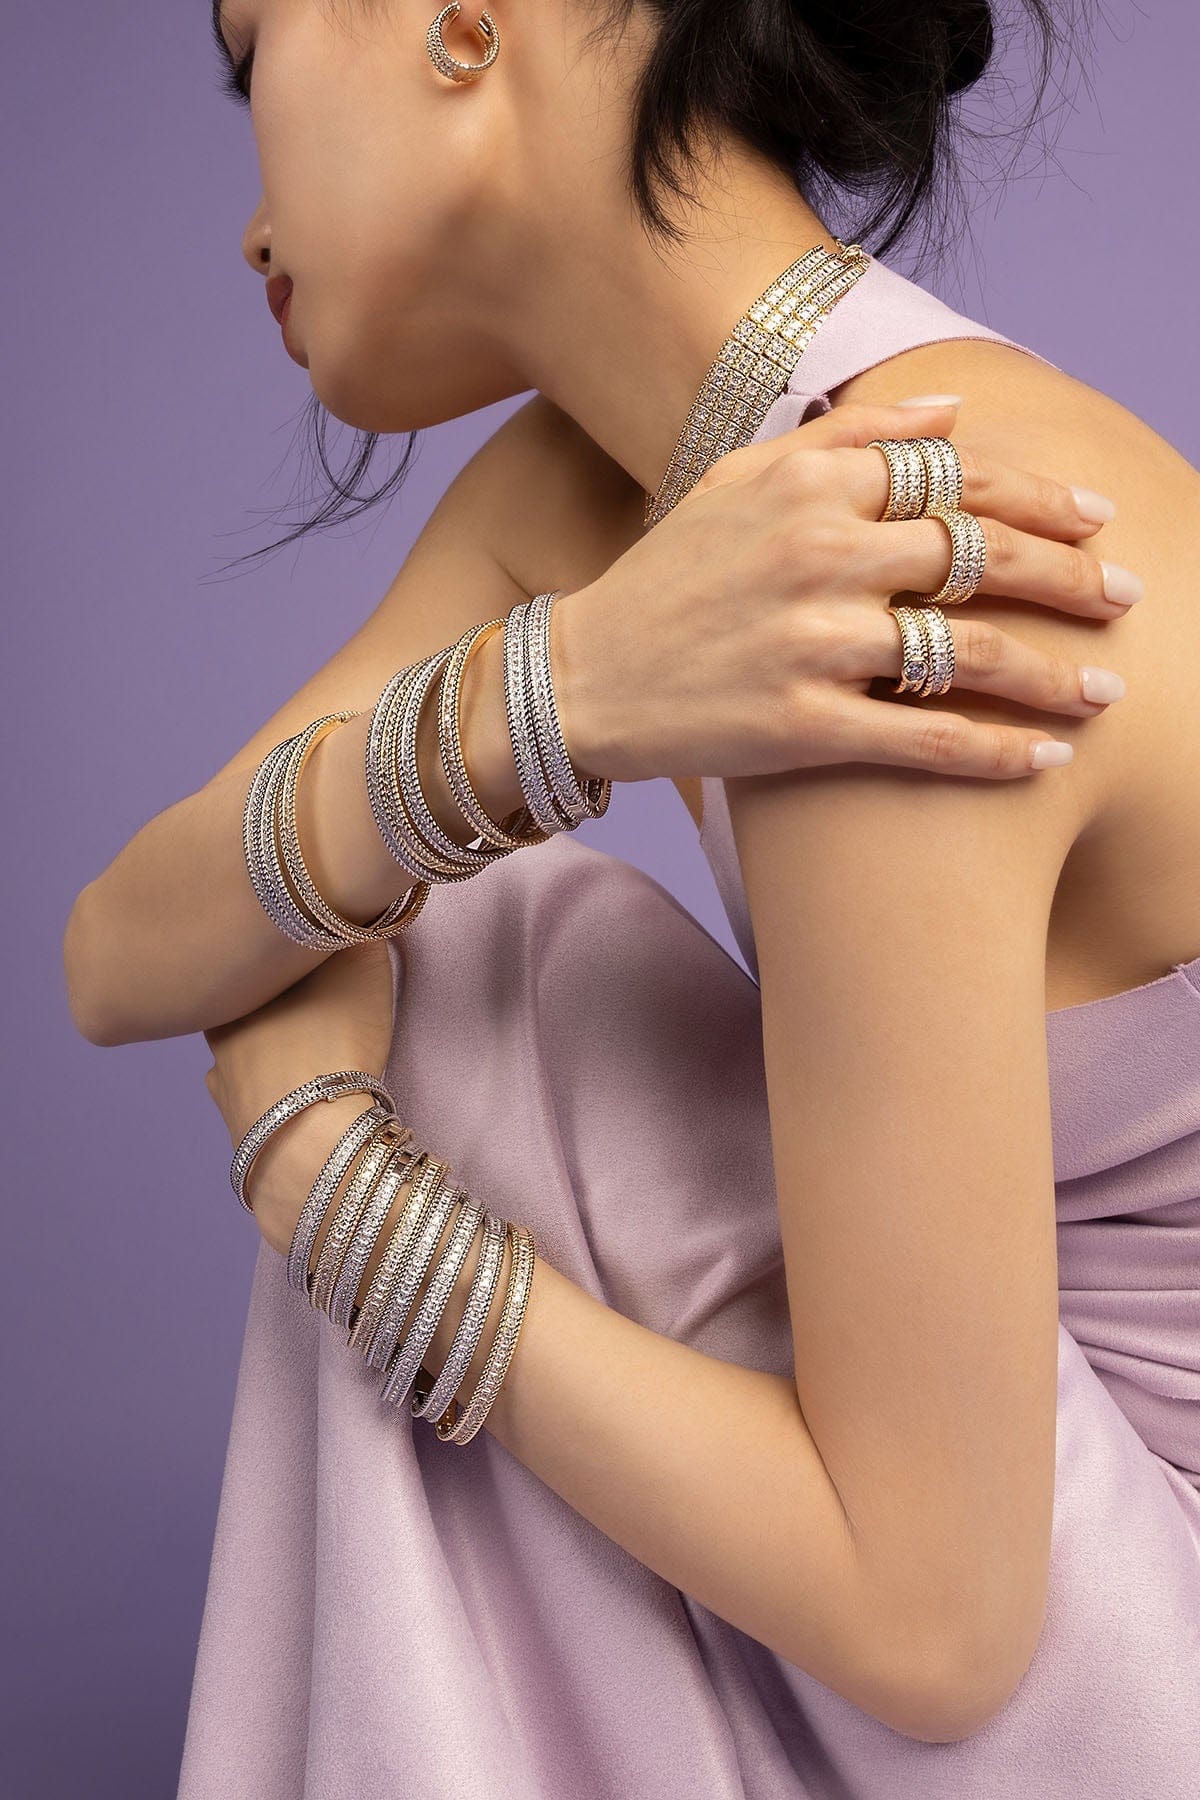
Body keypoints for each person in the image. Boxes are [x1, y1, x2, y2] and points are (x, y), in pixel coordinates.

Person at [62, 2, 1199, 1794]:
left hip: (1137, 1661)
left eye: (246, 45)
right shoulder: (607, 489)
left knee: (485, 961)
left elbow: (936, 1627)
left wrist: (332, 1188)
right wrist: (572, 691)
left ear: (454, 28)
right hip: (1030, 1571)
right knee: (412, 906)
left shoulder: (901, 549)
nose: (249, 229)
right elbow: (120, 949)